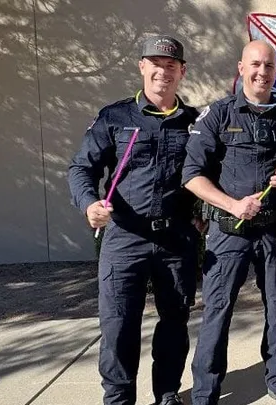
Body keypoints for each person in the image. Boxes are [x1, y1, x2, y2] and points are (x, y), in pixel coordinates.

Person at [68, 35, 200, 405]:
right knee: (118, 327)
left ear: (182, 71)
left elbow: (211, 174)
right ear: (142, 67)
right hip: (125, 237)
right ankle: (118, 398)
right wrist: (89, 204)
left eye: (171, 65)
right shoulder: (115, 117)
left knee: (175, 324)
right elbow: (81, 168)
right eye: (155, 64)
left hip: (176, 239)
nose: (163, 71)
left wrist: (206, 213)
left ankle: (168, 394)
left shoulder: (194, 123)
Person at [182, 40, 276, 405]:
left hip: (275, 232)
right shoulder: (218, 115)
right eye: (255, 65)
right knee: (218, 310)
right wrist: (231, 204)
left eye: (269, 66)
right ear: (241, 68)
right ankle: (206, 391)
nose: (262, 72)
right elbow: (192, 175)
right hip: (228, 233)